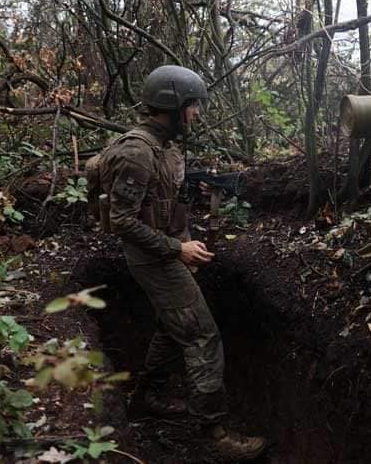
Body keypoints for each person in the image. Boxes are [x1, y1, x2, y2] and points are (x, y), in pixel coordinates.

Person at [98, 65, 265, 461]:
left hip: (166, 250)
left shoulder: (165, 147)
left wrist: (184, 238)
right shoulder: (138, 152)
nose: (197, 114)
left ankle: (147, 397)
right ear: (172, 107)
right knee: (202, 335)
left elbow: (162, 204)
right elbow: (121, 221)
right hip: (153, 258)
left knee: (173, 326)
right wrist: (177, 251)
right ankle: (214, 431)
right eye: (192, 107)